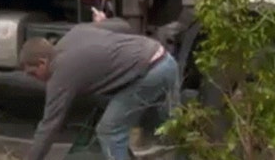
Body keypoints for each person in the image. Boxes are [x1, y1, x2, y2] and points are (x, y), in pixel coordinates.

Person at [20, 8, 178, 160]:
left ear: (42, 63)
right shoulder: (75, 33)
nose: (34, 78)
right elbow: (124, 26)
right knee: (171, 129)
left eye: (33, 73)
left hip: (151, 73)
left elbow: (49, 126)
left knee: (109, 131)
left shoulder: (60, 74)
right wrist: (102, 23)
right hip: (164, 58)